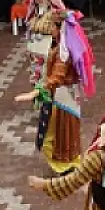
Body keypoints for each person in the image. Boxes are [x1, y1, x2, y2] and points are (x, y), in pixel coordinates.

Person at [15, 9, 96, 173]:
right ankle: (68, 163)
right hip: (69, 95)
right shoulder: (66, 47)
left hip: (62, 97)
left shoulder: (63, 53)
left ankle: (64, 166)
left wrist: (35, 92)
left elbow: (57, 77)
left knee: (56, 133)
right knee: (66, 131)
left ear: (59, 28)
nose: (49, 29)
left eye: (52, 25)